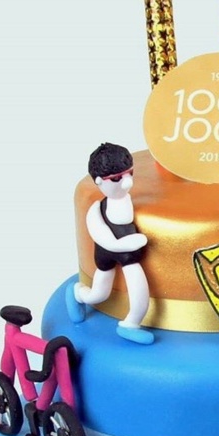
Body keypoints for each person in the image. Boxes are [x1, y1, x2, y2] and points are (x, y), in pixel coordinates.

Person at [66, 142, 153, 344]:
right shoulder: (96, 210)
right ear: (99, 181)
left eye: (130, 174)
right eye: (116, 179)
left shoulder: (125, 200)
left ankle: (131, 324)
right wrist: (128, 243)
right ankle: (78, 294)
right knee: (99, 294)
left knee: (140, 289)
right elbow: (105, 239)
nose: (127, 183)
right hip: (109, 251)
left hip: (129, 254)